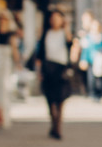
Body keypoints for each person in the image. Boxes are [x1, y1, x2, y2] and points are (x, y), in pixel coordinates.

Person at [31, 9, 77, 139]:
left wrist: (67, 27)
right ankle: (54, 122)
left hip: (61, 69)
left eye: (58, 18)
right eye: (53, 18)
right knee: (50, 99)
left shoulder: (64, 33)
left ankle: (58, 127)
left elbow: (70, 43)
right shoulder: (46, 33)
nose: (55, 21)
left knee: (61, 99)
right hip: (48, 68)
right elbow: (40, 55)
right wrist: (39, 71)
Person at [0, 0, 21, 128]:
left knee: (4, 89)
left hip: (5, 64)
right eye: (0, 19)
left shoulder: (11, 34)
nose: (2, 21)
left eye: (4, 19)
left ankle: (4, 116)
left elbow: (14, 49)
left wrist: (17, 62)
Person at [78, 13, 102, 101]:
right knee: (91, 79)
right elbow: (85, 50)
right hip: (91, 61)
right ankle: (92, 94)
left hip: (100, 62)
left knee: (100, 80)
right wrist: (83, 60)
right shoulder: (88, 37)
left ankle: (99, 94)